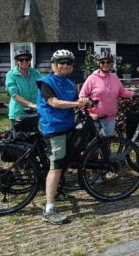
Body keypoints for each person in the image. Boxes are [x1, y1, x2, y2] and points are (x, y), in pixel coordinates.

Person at [37, 49, 88, 224]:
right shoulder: (46, 82)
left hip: (68, 126)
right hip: (54, 128)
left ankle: (57, 189)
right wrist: (76, 104)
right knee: (56, 166)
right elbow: (54, 102)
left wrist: (87, 102)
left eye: (68, 63)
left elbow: (77, 100)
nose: (65, 65)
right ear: (54, 64)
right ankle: (49, 209)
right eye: (61, 62)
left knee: (65, 161)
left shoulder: (68, 83)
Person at [79, 51, 134, 137]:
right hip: (96, 119)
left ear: (111, 63)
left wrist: (133, 94)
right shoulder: (92, 78)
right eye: (102, 62)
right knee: (95, 147)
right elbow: (82, 96)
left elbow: (122, 91)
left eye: (108, 62)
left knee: (107, 147)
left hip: (110, 118)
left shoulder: (114, 77)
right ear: (99, 63)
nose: (105, 64)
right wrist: (89, 114)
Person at [5, 49, 42, 128]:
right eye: (21, 59)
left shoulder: (35, 73)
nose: (24, 61)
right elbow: (14, 94)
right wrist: (30, 104)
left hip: (34, 112)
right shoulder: (11, 75)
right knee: (18, 138)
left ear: (30, 61)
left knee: (35, 137)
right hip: (18, 113)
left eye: (27, 59)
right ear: (16, 61)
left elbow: (45, 85)